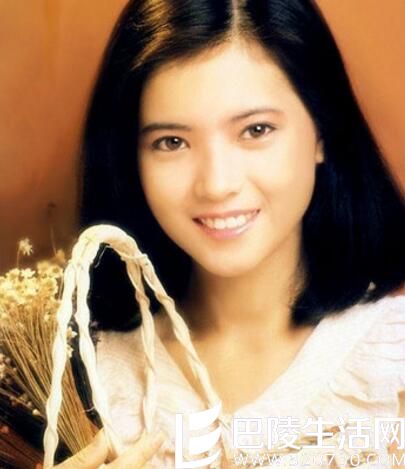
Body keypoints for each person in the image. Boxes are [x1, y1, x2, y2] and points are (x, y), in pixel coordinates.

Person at [59, 0, 405, 467]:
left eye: (255, 130)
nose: (217, 184)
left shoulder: (389, 365)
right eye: (172, 142)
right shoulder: (81, 371)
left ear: (322, 132)